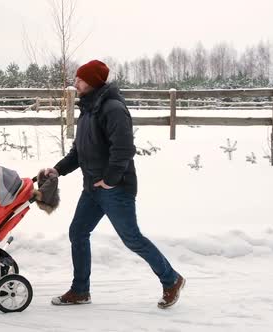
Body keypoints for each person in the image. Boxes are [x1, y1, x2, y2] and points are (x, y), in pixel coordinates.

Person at [43, 60, 185, 309]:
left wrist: (110, 180)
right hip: (92, 188)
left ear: (94, 82)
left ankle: (171, 279)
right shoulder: (87, 110)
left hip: (115, 188)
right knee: (78, 232)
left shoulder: (113, 108)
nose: (75, 82)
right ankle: (80, 290)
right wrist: (58, 169)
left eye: (80, 78)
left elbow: (124, 150)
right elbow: (79, 152)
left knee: (132, 238)